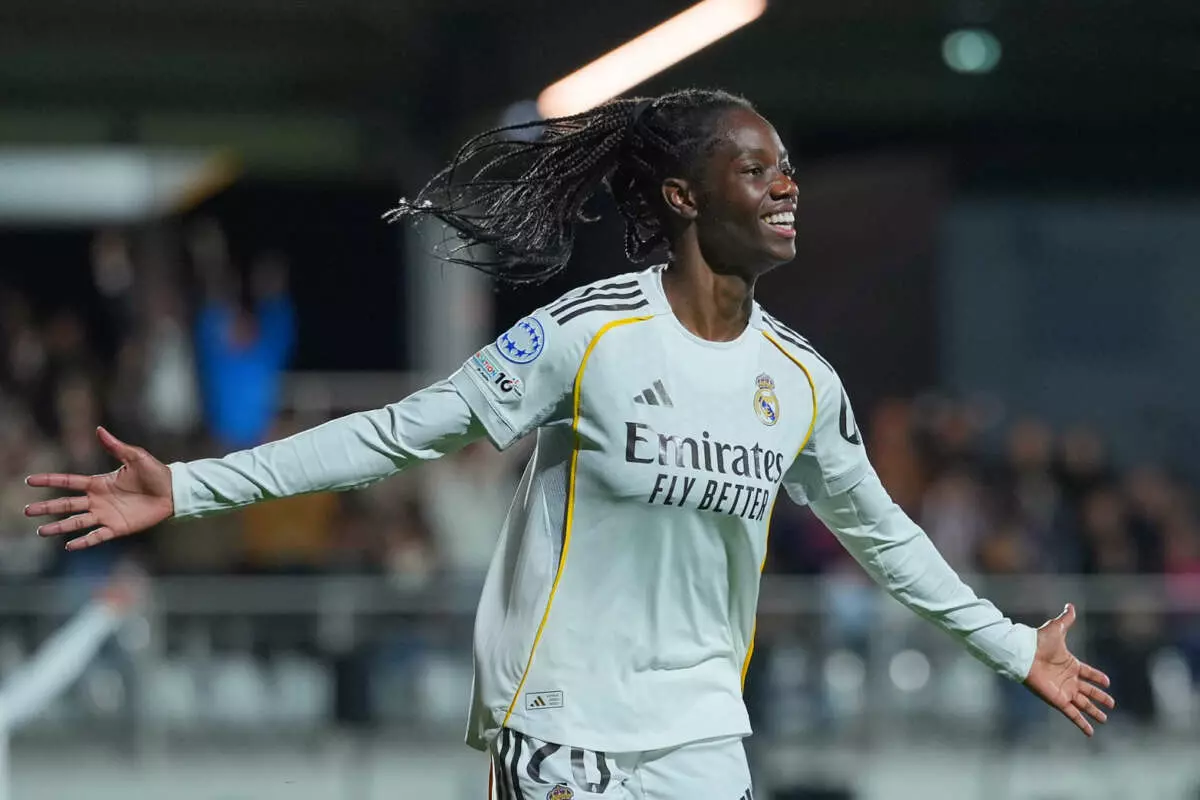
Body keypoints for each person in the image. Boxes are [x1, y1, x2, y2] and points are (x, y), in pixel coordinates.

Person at [24, 89, 1114, 799]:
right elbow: (402, 432)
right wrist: (196, 486)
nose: (788, 184)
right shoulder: (589, 335)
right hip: (562, 727)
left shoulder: (799, 380)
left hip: (700, 737)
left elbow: (886, 537)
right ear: (684, 197)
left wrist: (1014, 646)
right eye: (757, 168)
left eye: (789, 166)